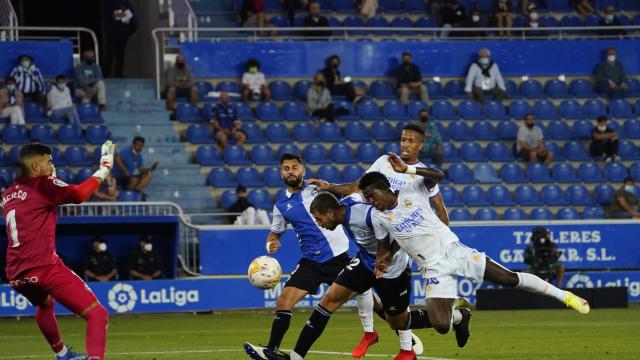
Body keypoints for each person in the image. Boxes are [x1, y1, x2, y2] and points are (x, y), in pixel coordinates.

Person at [359, 162, 590, 342]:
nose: (371, 202)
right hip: (432, 267)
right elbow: (385, 247)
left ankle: (565, 296)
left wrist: (408, 169)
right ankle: (460, 314)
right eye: (367, 199)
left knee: (509, 278)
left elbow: (438, 176)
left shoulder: (411, 189)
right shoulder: (379, 218)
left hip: (454, 251)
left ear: (385, 188)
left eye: (372, 196)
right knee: (441, 326)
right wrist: (384, 258)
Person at [243, 153, 413, 360]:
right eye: (286, 168)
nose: (291, 172)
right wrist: (271, 243)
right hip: (311, 262)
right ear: (281, 172)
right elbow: (275, 233)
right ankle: (271, 350)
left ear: (302, 169)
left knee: (378, 303)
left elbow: (351, 194)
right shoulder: (280, 206)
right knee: (283, 301)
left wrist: (330, 185)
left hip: (338, 256)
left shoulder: (318, 189)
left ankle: (404, 333)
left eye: (295, 167)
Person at [266, 189, 463, 360]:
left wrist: (386, 256)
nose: (319, 224)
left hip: (392, 270)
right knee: (328, 302)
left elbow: (399, 231)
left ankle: (456, 316)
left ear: (330, 212)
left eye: (319, 219)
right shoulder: (346, 204)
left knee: (398, 321)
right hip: (366, 262)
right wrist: (330, 187)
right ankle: (296, 356)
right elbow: (355, 189)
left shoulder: (367, 216)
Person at [2, 141, 114, 360]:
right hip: (44, 267)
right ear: (35, 166)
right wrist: (104, 168)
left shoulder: (8, 193)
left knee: (44, 304)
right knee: (97, 314)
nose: (52, 164)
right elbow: (79, 195)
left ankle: (62, 354)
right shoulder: (43, 184)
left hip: (16, 274)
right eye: (48, 160)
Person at [102, 0, 137, 77]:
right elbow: (106, 15)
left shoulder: (125, 2)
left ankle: (119, 73)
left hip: (123, 32)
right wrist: (122, 14)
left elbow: (131, 14)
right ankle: (106, 74)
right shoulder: (108, 2)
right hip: (112, 32)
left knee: (121, 54)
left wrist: (130, 28)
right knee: (109, 53)